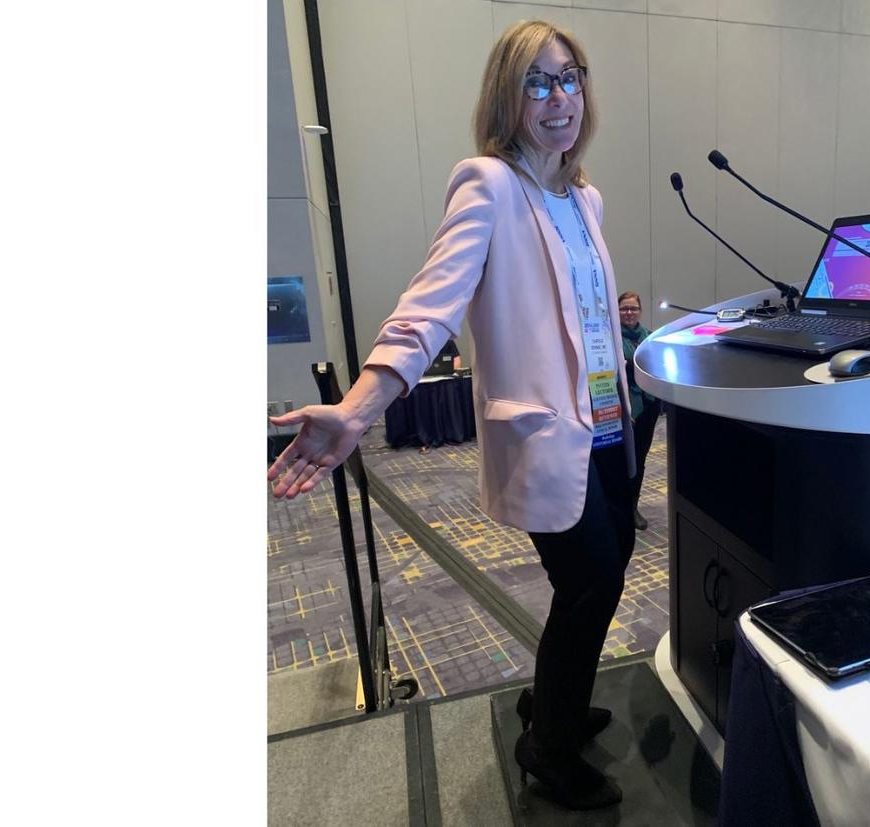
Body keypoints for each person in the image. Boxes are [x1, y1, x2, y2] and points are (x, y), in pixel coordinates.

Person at [267, 20, 632, 811]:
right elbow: (428, 308)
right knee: (590, 584)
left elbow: (574, 313)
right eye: (537, 82)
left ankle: (554, 700)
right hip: (550, 433)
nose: (559, 96)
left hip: (610, 423)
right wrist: (359, 409)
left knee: (599, 581)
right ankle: (549, 748)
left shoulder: (584, 196)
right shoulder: (490, 184)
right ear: (508, 97)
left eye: (570, 77)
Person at [618, 291, 660, 531]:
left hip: (649, 406)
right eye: (624, 309)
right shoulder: (610, 338)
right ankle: (620, 506)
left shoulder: (650, 337)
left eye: (633, 308)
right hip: (625, 408)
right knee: (624, 460)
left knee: (640, 458)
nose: (629, 313)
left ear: (640, 311)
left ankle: (633, 505)